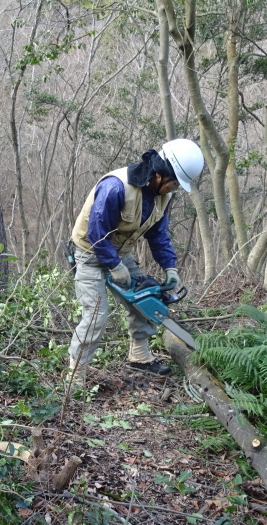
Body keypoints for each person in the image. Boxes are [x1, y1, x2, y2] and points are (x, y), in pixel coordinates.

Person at [67, 138, 205, 388]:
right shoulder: (116, 187)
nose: (174, 189)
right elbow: (97, 231)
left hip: (120, 252)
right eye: (174, 184)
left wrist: (169, 267)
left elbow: (158, 234)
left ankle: (139, 355)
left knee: (146, 299)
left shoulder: (162, 197)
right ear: (162, 174)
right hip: (90, 252)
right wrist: (114, 265)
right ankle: (75, 375)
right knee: (96, 316)